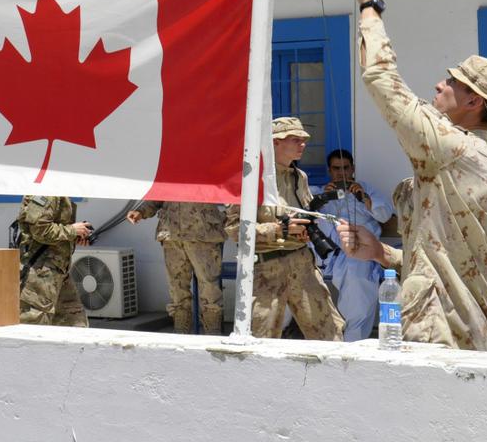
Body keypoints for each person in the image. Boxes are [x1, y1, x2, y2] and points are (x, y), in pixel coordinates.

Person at [333, 0, 487, 351]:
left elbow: (382, 81)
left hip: (440, 333)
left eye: (452, 81)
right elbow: (452, 264)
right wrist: (382, 252)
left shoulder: (454, 148)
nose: (440, 83)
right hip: (466, 332)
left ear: (473, 100)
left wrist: (370, 5)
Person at [225, 117, 345, 340]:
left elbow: (304, 212)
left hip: (302, 264)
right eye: (294, 139)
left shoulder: (300, 177)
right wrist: (279, 229)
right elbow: (234, 229)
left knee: (330, 335)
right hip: (267, 269)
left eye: (304, 139)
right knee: (262, 342)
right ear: (274, 143)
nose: (303, 144)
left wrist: (305, 226)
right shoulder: (251, 180)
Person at [310, 149, 394, 341]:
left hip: (359, 252)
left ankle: (352, 341)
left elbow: (384, 215)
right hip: (326, 254)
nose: (341, 173)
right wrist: (323, 197)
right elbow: (304, 213)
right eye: (336, 169)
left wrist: (363, 198)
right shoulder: (319, 192)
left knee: (357, 276)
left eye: (345, 168)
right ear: (330, 171)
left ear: (353, 169)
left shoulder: (366, 190)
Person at [126, 202, 226, 334]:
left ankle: (213, 332)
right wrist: (142, 211)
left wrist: (227, 219)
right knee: (176, 286)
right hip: (172, 234)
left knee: (209, 286)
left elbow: (230, 193)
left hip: (202, 232)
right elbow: (159, 194)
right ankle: (180, 330)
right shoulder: (167, 179)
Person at [16, 195, 91, 327]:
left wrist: (76, 236)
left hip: (59, 272)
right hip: (40, 274)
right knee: (35, 330)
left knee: (77, 328)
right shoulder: (47, 191)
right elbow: (40, 229)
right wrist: (72, 231)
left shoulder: (59, 191)